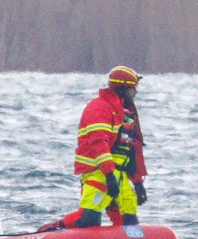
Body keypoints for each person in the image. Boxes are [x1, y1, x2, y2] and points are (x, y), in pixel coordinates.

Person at [58, 66, 147, 229]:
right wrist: (108, 174)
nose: (135, 93)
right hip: (98, 173)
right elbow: (98, 143)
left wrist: (138, 182)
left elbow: (133, 151)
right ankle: (55, 229)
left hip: (120, 177)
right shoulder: (100, 107)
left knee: (129, 224)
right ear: (122, 89)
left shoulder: (127, 113)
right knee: (89, 220)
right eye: (132, 90)